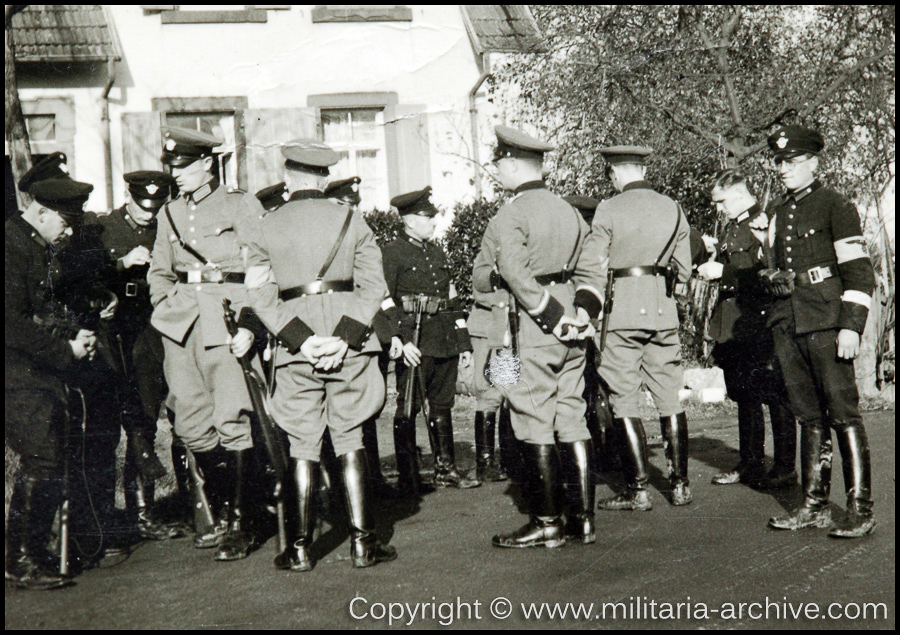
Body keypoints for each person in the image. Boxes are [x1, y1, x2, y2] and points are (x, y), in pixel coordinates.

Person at [240, 139, 397, 571]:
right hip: (350, 342)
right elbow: (373, 288)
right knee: (350, 436)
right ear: (323, 177)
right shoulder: (352, 218)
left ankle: (299, 549)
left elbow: (258, 292)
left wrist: (302, 340)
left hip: (296, 349)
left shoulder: (264, 225)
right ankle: (364, 544)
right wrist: (344, 338)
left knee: (302, 441)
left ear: (289, 177)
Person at [473, 126, 604, 548]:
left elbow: (512, 271)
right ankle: (583, 520)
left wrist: (549, 315)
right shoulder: (568, 209)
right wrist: (580, 314)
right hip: (571, 322)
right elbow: (592, 267)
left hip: (530, 326)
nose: (495, 171)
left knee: (531, 417)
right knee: (570, 415)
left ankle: (547, 521)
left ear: (512, 164)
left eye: (498, 164)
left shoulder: (510, 213)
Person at [148, 126, 265, 561]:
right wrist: (164, 302)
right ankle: (233, 509)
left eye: (183, 166)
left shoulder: (239, 204)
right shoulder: (169, 214)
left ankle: (240, 521)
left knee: (232, 418)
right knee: (191, 426)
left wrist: (250, 322)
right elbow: (159, 269)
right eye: (172, 167)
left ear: (204, 163)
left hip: (225, 320)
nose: (175, 174)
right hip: (181, 326)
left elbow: (260, 266)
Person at [753, 125, 876, 538]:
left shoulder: (835, 206)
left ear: (813, 163)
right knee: (808, 416)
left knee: (843, 415)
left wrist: (851, 326)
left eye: (790, 162)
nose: (782, 169)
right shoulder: (777, 211)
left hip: (827, 321)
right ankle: (814, 504)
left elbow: (859, 271)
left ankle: (860, 509)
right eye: (778, 162)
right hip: (789, 323)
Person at [77, 170, 187, 541]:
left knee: (147, 414)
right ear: (129, 196)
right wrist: (122, 263)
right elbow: (84, 274)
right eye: (143, 205)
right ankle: (108, 518)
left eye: (156, 205)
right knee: (113, 422)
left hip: (152, 328)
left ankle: (145, 511)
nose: (149, 212)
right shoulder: (103, 228)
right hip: (114, 330)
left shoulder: (167, 227)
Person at [585, 145, 693, 511]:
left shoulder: (608, 209)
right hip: (662, 312)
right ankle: (680, 485)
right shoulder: (673, 207)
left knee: (624, 397)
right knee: (668, 396)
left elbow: (593, 266)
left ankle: (638, 489)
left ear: (614, 173)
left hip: (622, 313)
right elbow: (684, 268)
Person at [6, 154, 95, 589]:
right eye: (64, 220)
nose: (70, 229)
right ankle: (20, 558)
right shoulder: (10, 243)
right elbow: (10, 321)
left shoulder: (31, 243)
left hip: (32, 370)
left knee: (47, 456)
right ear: (39, 211)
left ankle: (31, 552)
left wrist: (74, 332)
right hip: (14, 372)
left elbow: (39, 311)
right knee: (40, 457)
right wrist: (65, 351)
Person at [698, 169, 797, 489]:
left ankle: (784, 466)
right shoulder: (733, 226)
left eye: (721, 201)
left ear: (740, 195)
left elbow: (769, 273)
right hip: (734, 325)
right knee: (744, 395)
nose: (718, 208)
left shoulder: (763, 223)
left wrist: (722, 272)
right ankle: (750, 462)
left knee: (774, 394)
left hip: (759, 322)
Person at [380, 187, 479, 493]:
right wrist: (398, 338)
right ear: (409, 220)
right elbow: (383, 299)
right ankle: (409, 474)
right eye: (427, 217)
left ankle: (445, 469)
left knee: (442, 405)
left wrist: (463, 342)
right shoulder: (393, 252)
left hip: (443, 339)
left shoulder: (437, 252)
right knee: (408, 405)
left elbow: (450, 300)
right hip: (414, 341)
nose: (434, 222)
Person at [467, 285, 510, 482]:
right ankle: (485, 463)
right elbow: (481, 288)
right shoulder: (486, 256)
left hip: (512, 326)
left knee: (510, 393)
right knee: (489, 393)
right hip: (488, 325)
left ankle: (510, 460)